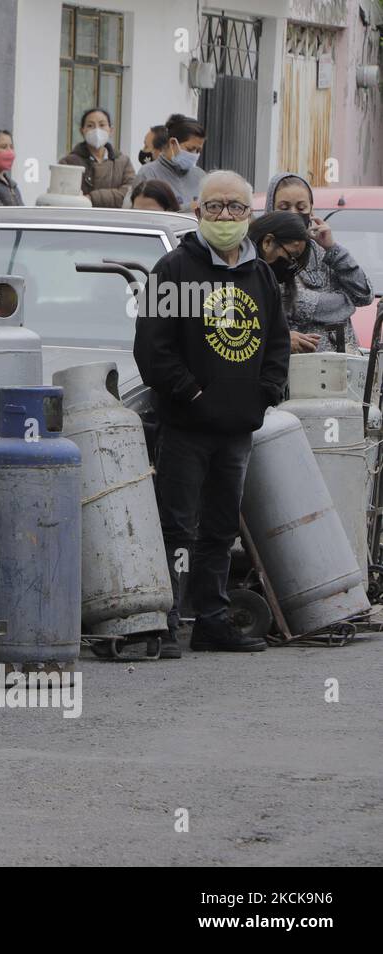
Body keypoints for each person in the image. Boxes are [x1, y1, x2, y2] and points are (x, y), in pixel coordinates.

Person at [134, 170, 290, 657]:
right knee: (177, 527)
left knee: (221, 529)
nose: (226, 216)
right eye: (216, 206)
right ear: (198, 211)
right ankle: (168, 619)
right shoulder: (172, 269)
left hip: (237, 429)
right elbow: (153, 352)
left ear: (249, 215)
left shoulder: (260, 275)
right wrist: (193, 395)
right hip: (186, 427)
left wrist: (263, 395)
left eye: (236, 208)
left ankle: (213, 619)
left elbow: (277, 344)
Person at [263, 172, 374, 354]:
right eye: (284, 207)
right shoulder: (264, 253)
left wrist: (332, 249)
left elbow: (364, 295)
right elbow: (293, 303)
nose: (293, 214)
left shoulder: (325, 252)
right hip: (292, 372)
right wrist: (345, 302)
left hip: (342, 371)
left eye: (301, 207)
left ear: (311, 210)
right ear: (271, 210)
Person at [250, 212, 316, 354]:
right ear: (267, 242)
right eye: (291, 257)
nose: (290, 266)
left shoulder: (267, 285)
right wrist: (281, 340)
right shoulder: (237, 277)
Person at [123, 114, 206, 209]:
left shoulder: (200, 176)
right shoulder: (148, 173)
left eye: (198, 151)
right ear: (173, 143)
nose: (194, 154)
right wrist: (187, 209)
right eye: (190, 149)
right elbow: (139, 213)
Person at [59, 107, 133, 208]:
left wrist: (91, 198)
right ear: (82, 131)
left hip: (115, 221)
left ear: (111, 130)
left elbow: (128, 193)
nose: (97, 130)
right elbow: (65, 198)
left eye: (102, 125)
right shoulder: (68, 162)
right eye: (90, 125)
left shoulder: (123, 162)